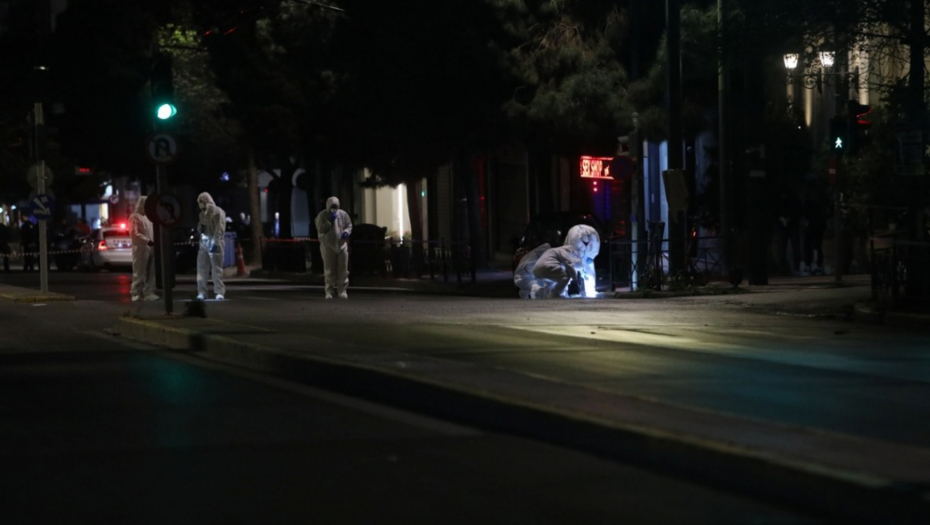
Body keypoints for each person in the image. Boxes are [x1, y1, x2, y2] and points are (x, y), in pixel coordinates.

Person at [314, 196, 352, 299]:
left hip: (341, 245)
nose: (334, 209)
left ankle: (342, 290)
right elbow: (320, 229)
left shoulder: (343, 214)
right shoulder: (322, 215)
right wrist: (329, 221)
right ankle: (329, 290)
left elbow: (349, 225)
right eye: (332, 207)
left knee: (343, 269)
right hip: (328, 246)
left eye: (335, 207)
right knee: (329, 270)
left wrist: (346, 232)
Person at [196, 192, 227, 301]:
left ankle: (219, 292)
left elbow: (220, 229)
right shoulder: (202, 214)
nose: (200, 204)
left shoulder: (218, 212)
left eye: (201, 202)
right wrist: (200, 228)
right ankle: (202, 292)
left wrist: (216, 242)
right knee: (201, 268)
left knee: (216, 269)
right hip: (204, 243)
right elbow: (200, 228)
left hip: (215, 243)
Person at [129, 196, 158, 301]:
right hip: (140, 248)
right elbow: (134, 233)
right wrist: (147, 241)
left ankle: (149, 292)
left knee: (151, 271)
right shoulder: (134, 217)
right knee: (139, 271)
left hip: (151, 247)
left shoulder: (149, 218)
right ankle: (135, 292)